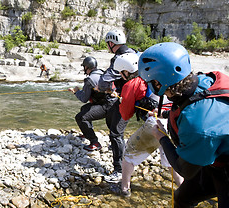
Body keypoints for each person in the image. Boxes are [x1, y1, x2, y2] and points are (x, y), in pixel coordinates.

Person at [139, 42, 229, 208]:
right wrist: (166, 113)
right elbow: (192, 101)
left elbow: (185, 169)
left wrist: (161, 137)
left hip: (224, 168)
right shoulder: (203, 80)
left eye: (150, 81)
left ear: (159, 84)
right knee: (182, 197)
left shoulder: (200, 127)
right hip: (215, 159)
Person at [112, 53, 183, 197]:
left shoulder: (131, 84)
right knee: (172, 158)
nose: (120, 75)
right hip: (174, 119)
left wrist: (122, 101)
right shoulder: (154, 76)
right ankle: (185, 189)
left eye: (121, 72)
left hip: (155, 121)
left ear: (126, 71)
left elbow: (126, 115)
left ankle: (124, 189)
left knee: (129, 153)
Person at [96, 29, 137, 183]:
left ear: (112, 43)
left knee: (116, 132)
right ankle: (119, 149)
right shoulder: (134, 52)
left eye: (108, 44)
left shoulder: (120, 58)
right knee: (111, 119)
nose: (107, 46)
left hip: (126, 98)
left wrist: (103, 88)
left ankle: (119, 169)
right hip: (131, 96)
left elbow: (103, 81)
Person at [68, 56, 107, 151]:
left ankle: (95, 142)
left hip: (105, 106)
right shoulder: (102, 73)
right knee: (84, 109)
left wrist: (75, 91)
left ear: (87, 67)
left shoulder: (89, 79)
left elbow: (84, 98)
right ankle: (87, 133)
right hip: (108, 104)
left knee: (80, 117)